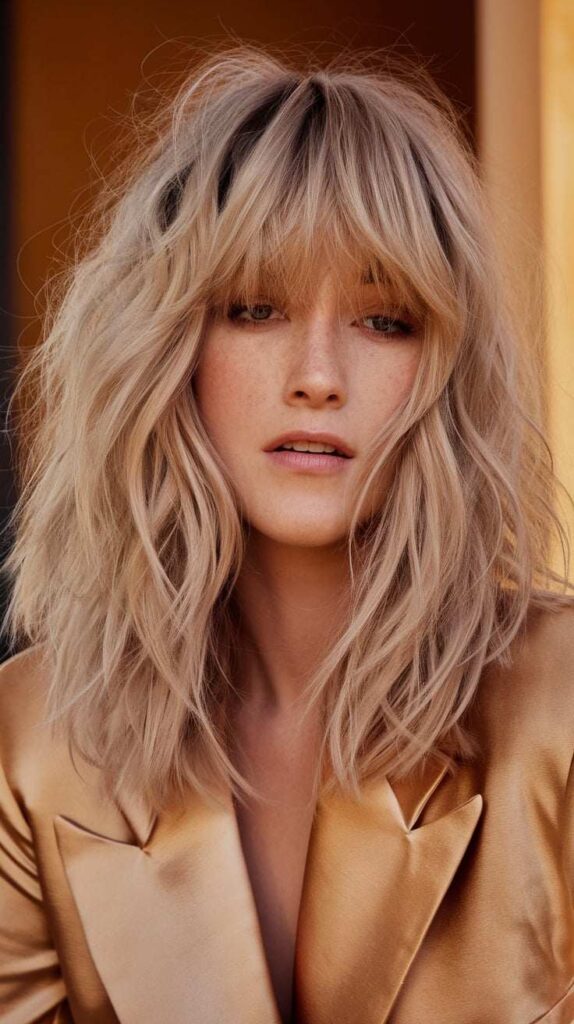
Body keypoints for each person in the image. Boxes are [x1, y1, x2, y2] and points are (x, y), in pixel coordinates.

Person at [0, 42, 573, 1024]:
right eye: (255, 308)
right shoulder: (27, 744)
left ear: (443, 363)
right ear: (167, 346)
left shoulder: (558, 707)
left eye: (385, 318)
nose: (318, 372)